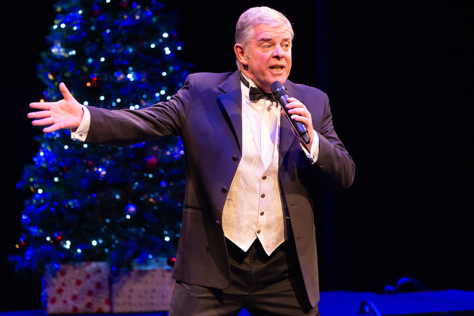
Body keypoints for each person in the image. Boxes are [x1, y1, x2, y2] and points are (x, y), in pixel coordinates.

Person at [28, 6, 354, 316]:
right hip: (213, 265)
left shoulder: (313, 101)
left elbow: (345, 173)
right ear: (241, 54)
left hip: (284, 271)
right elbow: (142, 122)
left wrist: (313, 140)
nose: (280, 53)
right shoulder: (201, 92)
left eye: (286, 44)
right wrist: (85, 117)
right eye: (267, 45)